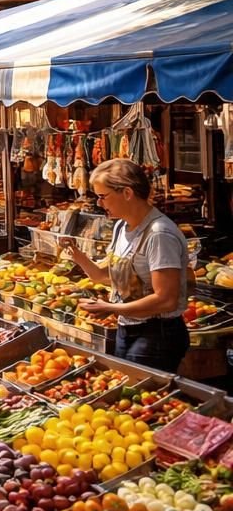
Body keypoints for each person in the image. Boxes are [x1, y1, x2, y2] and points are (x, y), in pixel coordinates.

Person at [63, 159, 192, 373]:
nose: (99, 203)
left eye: (103, 196)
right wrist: (76, 253)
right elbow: (104, 276)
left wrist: (111, 308)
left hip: (157, 335)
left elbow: (166, 300)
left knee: (142, 398)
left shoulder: (159, 234)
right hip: (128, 328)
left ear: (127, 193)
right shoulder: (122, 227)